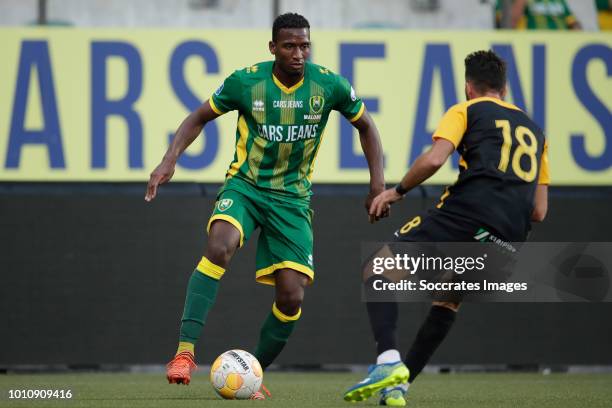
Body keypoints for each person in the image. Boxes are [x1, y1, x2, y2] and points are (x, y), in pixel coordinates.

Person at [145, 12, 386, 398]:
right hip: (247, 187)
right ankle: (184, 353)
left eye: (304, 45)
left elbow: (367, 127)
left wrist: (377, 184)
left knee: (292, 296)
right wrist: (169, 159)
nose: (298, 53)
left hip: (292, 200)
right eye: (289, 45)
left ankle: (252, 373)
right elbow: (199, 116)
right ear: (273, 47)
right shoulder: (247, 82)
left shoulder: (329, 85)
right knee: (219, 246)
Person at [343, 50, 549, 406]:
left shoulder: (466, 110)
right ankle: (398, 389)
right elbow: (539, 211)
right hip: (511, 239)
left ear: (469, 86)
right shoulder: (536, 131)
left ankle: (387, 361)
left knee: (378, 267)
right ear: (504, 87)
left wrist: (397, 191)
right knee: (448, 300)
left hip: (467, 215)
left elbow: (436, 157)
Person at [496, 0, 581, 29]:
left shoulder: (559, 0)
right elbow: (510, 23)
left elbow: (572, 23)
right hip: (534, 44)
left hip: (563, 44)